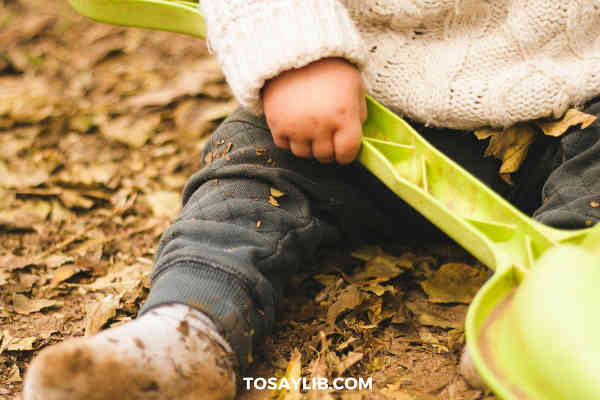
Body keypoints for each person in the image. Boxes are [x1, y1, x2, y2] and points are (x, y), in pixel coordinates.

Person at [23, 1, 600, 399]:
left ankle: (557, 323)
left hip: (576, 100)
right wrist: (296, 54)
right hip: (365, 111)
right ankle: (187, 330)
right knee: (250, 173)